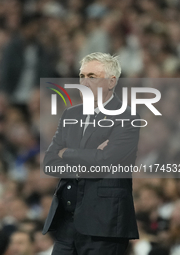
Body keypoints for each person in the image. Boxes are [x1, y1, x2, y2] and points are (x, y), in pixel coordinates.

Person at [42, 52, 140, 255]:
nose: (84, 82)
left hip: (104, 224)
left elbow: (105, 160)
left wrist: (66, 152)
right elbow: (50, 162)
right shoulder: (71, 114)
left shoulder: (127, 115)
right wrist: (89, 155)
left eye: (92, 77)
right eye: (82, 76)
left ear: (111, 82)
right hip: (67, 222)